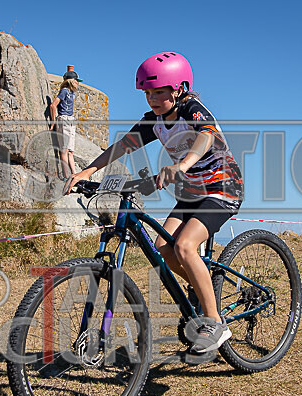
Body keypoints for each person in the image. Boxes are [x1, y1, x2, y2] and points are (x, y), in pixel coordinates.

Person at [64, 52, 244, 354]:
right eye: (147, 93)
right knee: (163, 248)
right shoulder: (155, 121)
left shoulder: (191, 109)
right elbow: (122, 146)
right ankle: (201, 287)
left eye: (159, 92)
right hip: (192, 193)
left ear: (179, 89)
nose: (152, 99)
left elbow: (206, 136)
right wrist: (87, 171)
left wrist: (183, 165)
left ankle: (215, 323)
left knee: (185, 246)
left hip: (222, 188)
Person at [50, 66, 81, 179]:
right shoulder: (64, 91)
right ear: (71, 81)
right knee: (64, 150)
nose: (77, 83)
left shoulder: (72, 93)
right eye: (76, 80)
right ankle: (66, 175)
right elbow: (53, 105)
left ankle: (75, 175)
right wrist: (53, 122)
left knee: (70, 151)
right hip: (64, 119)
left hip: (70, 120)